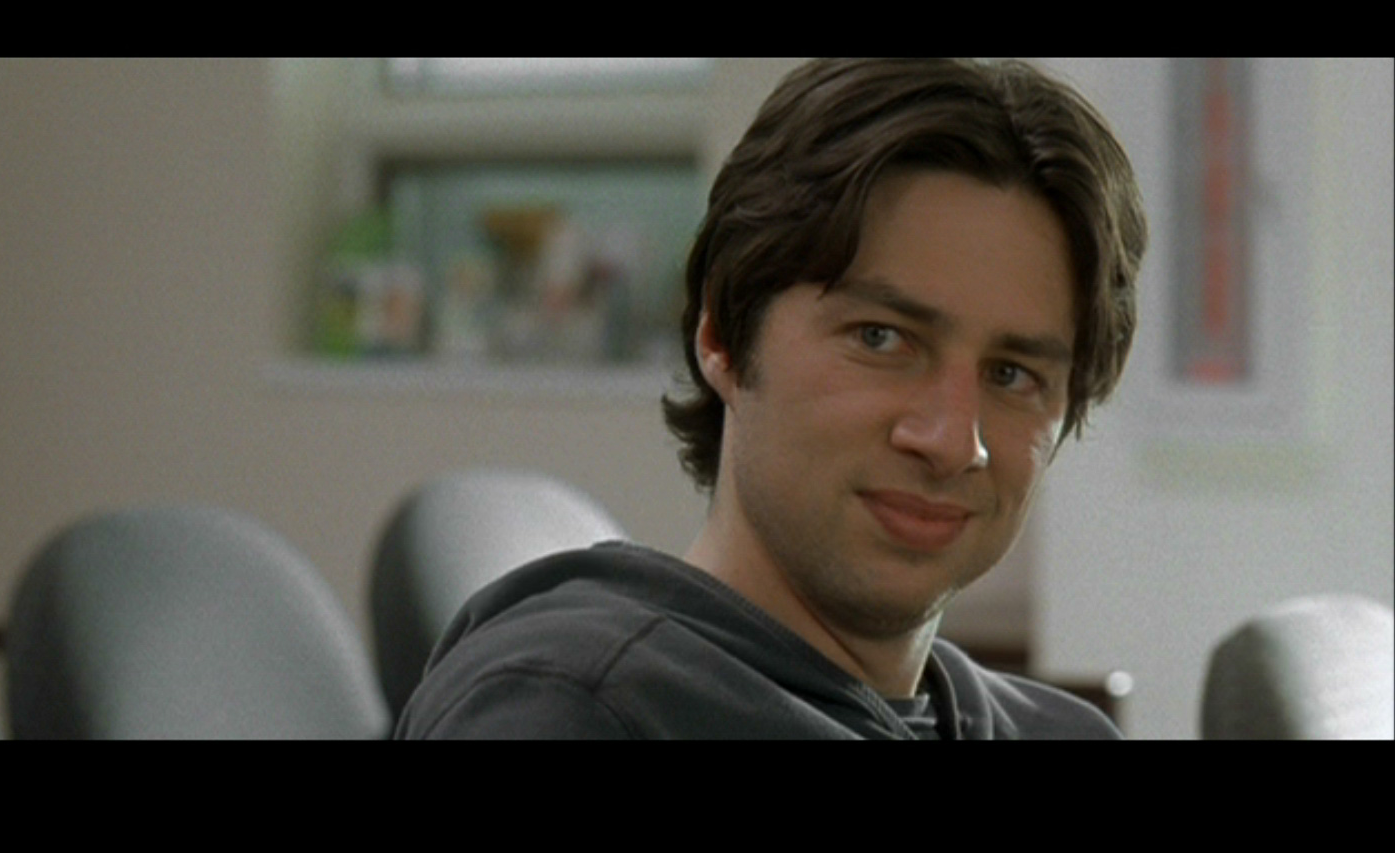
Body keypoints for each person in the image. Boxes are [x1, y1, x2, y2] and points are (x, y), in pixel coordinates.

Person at [394, 58, 1147, 739]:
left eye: (1012, 374)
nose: (954, 441)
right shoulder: (579, 709)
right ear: (723, 336)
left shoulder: (1062, 731)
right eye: (881, 339)